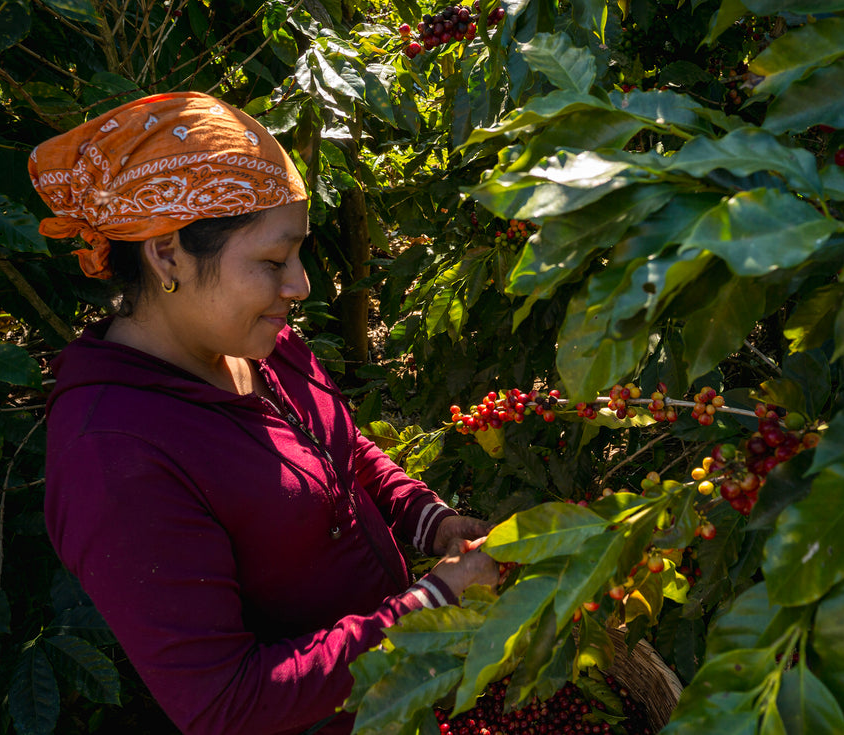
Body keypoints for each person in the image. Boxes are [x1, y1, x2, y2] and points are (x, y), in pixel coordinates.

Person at [30, 91, 499, 735]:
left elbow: (340, 451)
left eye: (298, 255)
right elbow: (226, 702)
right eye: (273, 261)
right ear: (167, 254)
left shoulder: (257, 342)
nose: (299, 285)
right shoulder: (114, 458)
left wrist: (429, 522)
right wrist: (434, 605)